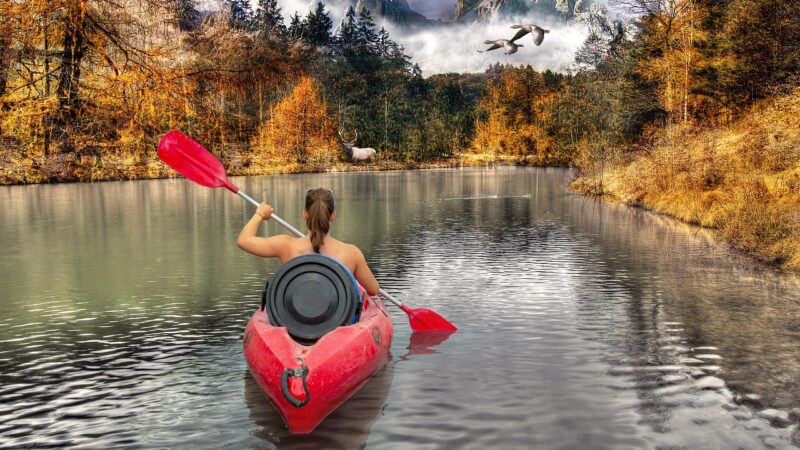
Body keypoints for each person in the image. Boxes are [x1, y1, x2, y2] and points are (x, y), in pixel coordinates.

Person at [236, 188, 380, 296]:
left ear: (305, 214)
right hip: (336, 323)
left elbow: (243, 240)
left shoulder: (286, 246)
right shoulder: (351, 253)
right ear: (333, 215)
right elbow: (373, 290)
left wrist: (259, 213)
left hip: (296, 322)